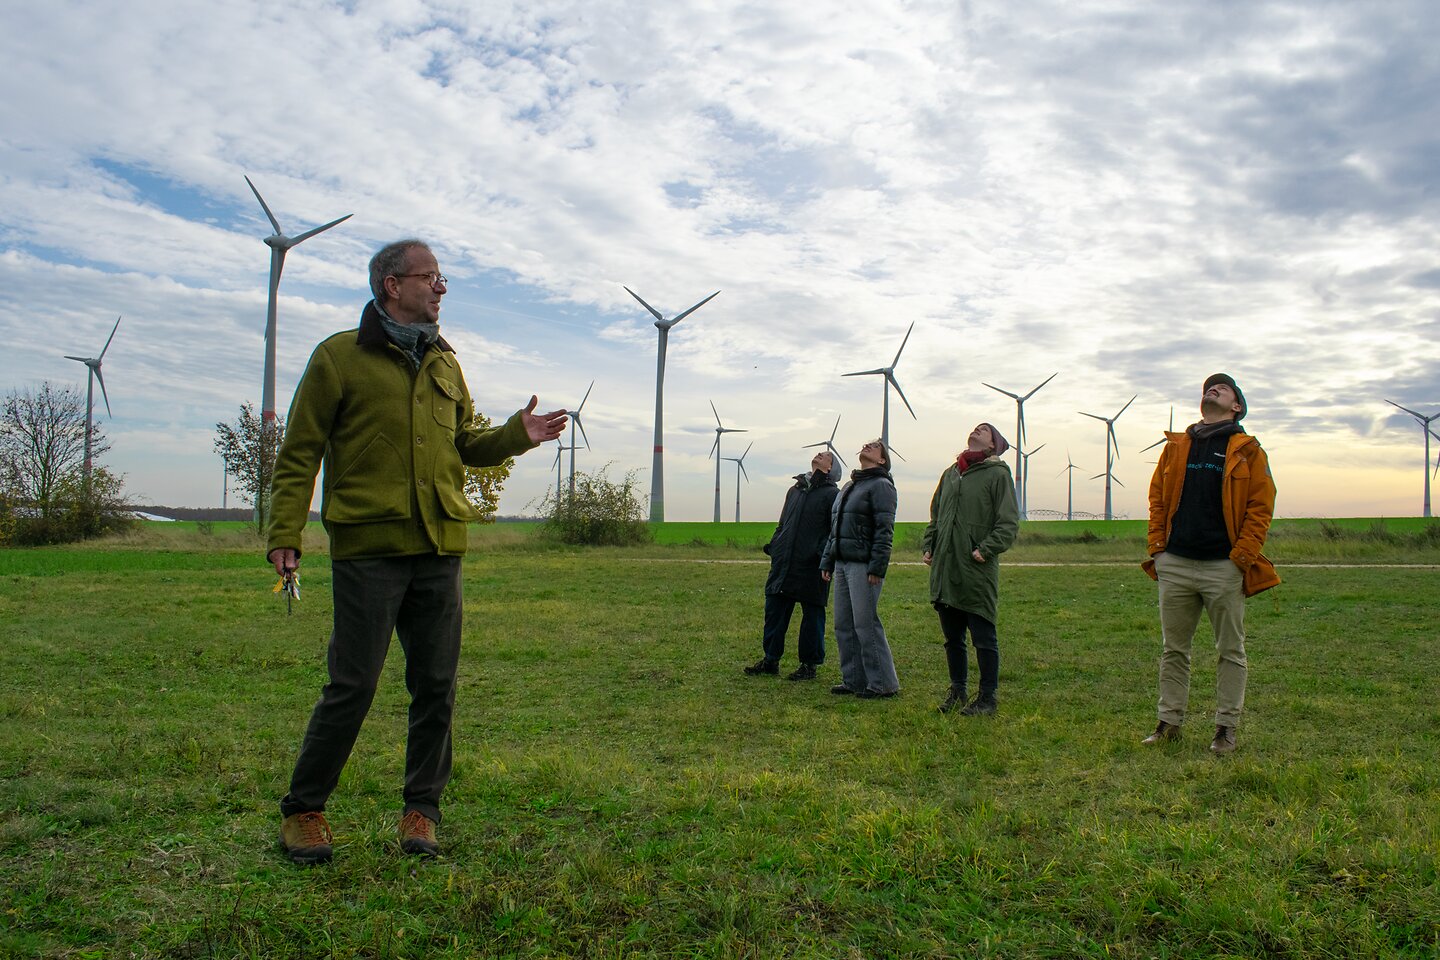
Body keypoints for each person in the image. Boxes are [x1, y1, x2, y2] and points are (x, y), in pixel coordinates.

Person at [266, 239, 567, 864]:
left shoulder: (446, 363)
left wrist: (519, 434)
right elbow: (300, 454)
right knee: (353, 684)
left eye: (441, 278)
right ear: (389, 285)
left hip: (440, 549)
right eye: (429, 277)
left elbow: (465, 445)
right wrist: (286, 533)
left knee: (436, 685)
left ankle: (421, 813)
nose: (440, 288)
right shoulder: (338, 357)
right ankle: (304, 811)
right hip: (368, 549)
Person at [1140, 373, 1278, 755]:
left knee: (1230, 650)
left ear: (1236, 406)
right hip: (1177, 563)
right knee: (1173, 649)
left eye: (1222, 387)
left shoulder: (1248, 450)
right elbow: (1157, 499)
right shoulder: (1176, 447)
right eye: (1208, 387)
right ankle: (1169, 723)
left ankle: (1225, 729)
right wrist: (1158, 549)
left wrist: (1241, 558)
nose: (1211, 388)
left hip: (1224, 566)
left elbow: (1260, 508)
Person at [922, 423, 1019, 716]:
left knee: (983, 637)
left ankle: (988, 698)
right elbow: (936, 515)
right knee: (952, 638)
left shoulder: (998, 475)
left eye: (985, 429)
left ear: (993, 445)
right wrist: (930, 544)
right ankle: (958, 691)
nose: (977, 430)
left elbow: (1008, 523)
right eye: (976, 427)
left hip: (975, 568)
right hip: (946, 566)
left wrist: (984, 550)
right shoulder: (951, 473)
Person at [745, 450, 843, 680]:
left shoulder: (832, 495)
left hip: (812, 564)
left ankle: (809, 665)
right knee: (775, 610)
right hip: (784, 560)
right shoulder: (795, 490)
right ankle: (770, 660)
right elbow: (783, 522)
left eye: (826, 455)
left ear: (830, 468)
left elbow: (833, 530)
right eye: (819, 452)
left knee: (812, 615)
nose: (820, 454)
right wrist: (775, 546)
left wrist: (821, 555)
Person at [820, 439, 900, 699]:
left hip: (864, 565)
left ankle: (882, 684)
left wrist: (877, 566)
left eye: (874, 446)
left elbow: (884, 529)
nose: (866, 446)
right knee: (843, 624)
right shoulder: (850, 486)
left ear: (882, 460)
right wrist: (827, 561)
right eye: (865, 444)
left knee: (865, 624)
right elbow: (835, 528)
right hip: (842, 563)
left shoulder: (882, 486)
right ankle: (853, 679)